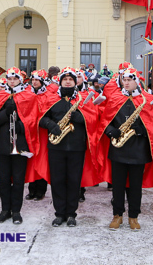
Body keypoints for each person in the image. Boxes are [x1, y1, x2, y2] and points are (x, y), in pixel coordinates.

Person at [98, 67, 153, 231]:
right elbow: (105, 119)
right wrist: (110, 130)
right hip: (118, 149)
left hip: (138, 150)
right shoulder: (115, 98)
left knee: (135, 186)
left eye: (129, 80)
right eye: (124, 80)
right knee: (118, 185)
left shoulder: (147, 99)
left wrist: (143, 130)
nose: (126, 83)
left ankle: (134, 216)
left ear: (137, 81)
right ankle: (117, 215)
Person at [37, 67, 100, 227]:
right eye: (65, 79)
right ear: (60, 81)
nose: (67, 81)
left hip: (76, 148)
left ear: (75, 82)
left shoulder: (83, 99)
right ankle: (59, 213)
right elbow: (41, 119)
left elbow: (94, 120)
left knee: (74, 181)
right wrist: (51, 125)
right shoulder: (51, 99)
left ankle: (71, 214)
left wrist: (81, 118)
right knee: (57, 181)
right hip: (56, 147)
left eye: (70, 79)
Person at [0, 67, 38, 225]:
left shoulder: (29, 96)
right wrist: (6, 113)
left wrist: (21, 126)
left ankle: (16, 211)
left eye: (15, 79)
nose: (12, 81)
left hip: (20, 144)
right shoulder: (0, 96)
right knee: (3, 180)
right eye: (9, 79)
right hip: (2, 144)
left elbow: (33, 120)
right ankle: (4, 210)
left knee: (18, 180)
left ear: (20, 80)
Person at [26, 69, 50, 201]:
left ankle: (41, 190)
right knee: (31, 161)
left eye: (37, 80)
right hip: (30, 133)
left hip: (42, 134)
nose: (34, 82)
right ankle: (31, 189)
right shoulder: (27, 95)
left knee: (41, 160)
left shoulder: (47, 96)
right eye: (33, 80)